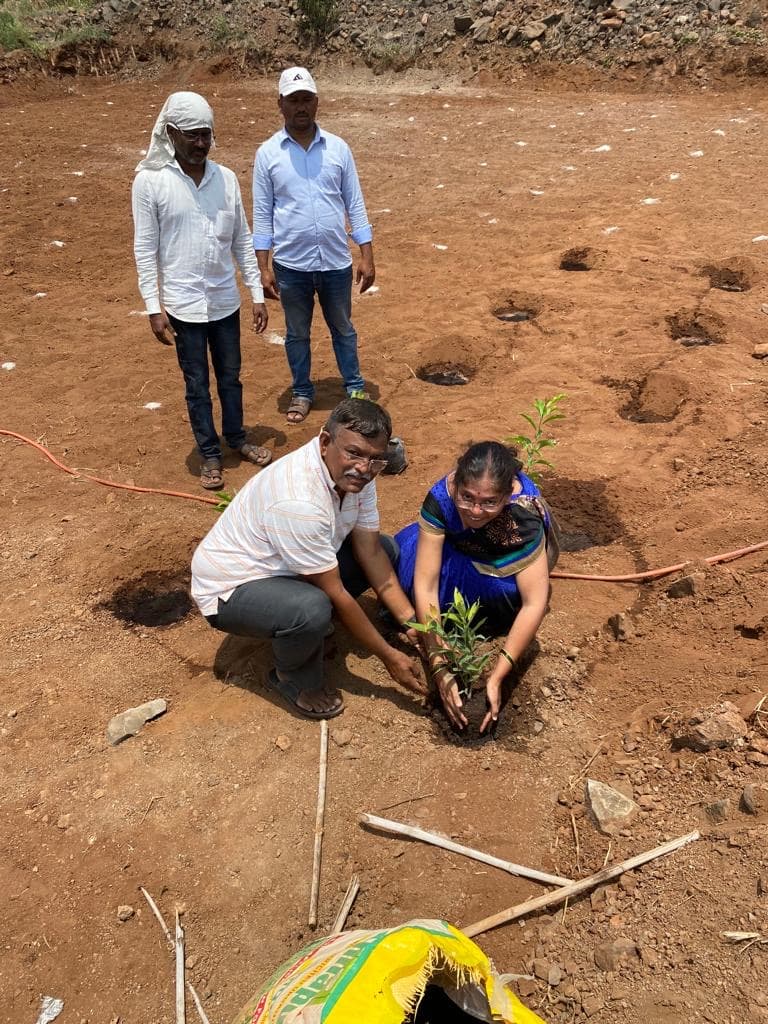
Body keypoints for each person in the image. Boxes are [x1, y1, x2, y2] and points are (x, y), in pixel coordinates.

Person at [191, 398, 426, 719]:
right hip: (234, 587)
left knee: (385, 549)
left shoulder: (359, 475)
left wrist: (413, 623)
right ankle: (291, 677)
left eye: (375, 459)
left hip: (287, 566)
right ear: (325, 442)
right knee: (312, 608)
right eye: (354, 453)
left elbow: (369, 551)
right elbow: (334, 593)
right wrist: (388, 656)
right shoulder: (298, 499)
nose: (364, 467)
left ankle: (301, 621)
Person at [132, 90, 273, 491]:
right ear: (171, 133)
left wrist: (256, 295)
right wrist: (153, 307)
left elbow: (242, 241)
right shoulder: (150, 182)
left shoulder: (225, 179)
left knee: (231, 377)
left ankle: (238, 437)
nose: (200, 143)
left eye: (205, 135)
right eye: (191, 135)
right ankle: (209, 453)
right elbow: (145, 248)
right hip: (182, 306)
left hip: (225, 302)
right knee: (197, 384)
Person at [395, 442, 555, 735]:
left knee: (505, 599)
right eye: (466, 498)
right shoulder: (442, 496)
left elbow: (535, 603)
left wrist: (497, 676)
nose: (476, 511)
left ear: (507, 496)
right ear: (456, 483)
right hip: (458, 552)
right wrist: (439, 665)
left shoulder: (522, 514)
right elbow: (426, 584)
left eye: (489, 502)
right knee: (405, 564)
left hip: (495, 569)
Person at [252, 67, 375, 425]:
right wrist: (264, 266)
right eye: (293, 100)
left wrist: (366, 254)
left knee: (343, 328)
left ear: (317, 102)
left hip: (336, 261)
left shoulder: (338, 149)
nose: (300, 107)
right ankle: (303, 391)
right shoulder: (268, 154)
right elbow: (262, 214)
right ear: (280, 104)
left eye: (307, 99)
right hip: (292, 264)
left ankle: (354, 388)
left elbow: (355, 204)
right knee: (297, 333)